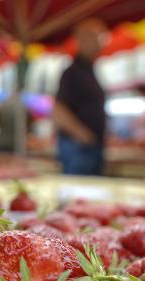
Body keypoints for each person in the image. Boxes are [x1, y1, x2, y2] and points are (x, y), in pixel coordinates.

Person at [53, 19, 107, 175]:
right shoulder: (72, 73)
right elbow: (58, 111)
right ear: (83, 39)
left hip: (88, 146)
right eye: (97, 37)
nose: (100, 43)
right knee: (79, 192)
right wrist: (84, 135)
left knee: (90, 194)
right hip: (79, 148)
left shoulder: (89, 70)